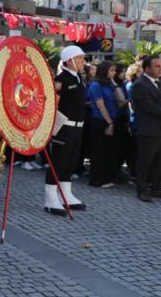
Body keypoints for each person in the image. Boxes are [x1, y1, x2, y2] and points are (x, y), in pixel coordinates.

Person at [44, 46, 88, 215]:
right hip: (64, 127)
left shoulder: (77, 78)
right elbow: (53, 104)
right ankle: (50, 199)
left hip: (77, 127)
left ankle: (65, 195)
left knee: (70, 163)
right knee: (58, 163)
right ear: (69, 60)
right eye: (80, 58)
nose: (83, 61)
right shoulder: (61, 79)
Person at [131, 56, 161, 202]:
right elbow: (149, 107)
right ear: (146, 69)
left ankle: (156, 189)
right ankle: (142, 190)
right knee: (145, 161)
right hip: (148, 130)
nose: (160, 69)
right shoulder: (140, 85)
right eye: (157, 66)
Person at [86, 62, 119, 188]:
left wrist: (114, 83)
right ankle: (96, 179)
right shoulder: (95, 85)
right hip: (100, 121)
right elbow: (100, 105)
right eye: (111, 70)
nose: (114, 73)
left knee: (107, 150)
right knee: (99, 150)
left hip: (110, 119)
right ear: (104, 71)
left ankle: (104, 177)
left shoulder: (109, 84)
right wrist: (109, 122)